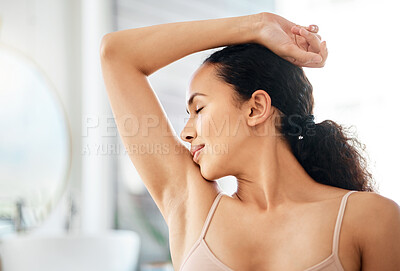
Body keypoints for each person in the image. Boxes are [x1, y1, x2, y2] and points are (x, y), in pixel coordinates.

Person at [100, 12, 400, 271]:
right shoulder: (191, 205)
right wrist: (256, 25)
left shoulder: (369, 219)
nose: (186, 133)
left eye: (199, 109)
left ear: (255, 108)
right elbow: (117, 53)